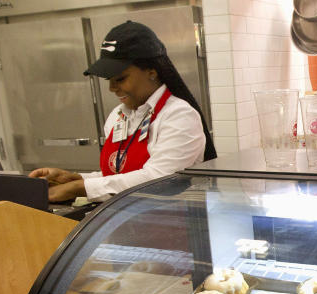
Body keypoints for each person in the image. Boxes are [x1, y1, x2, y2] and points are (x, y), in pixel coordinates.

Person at [30, 21, 216, 202]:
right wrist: (75, 178)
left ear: (152, 72)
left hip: (172, 225)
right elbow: (120, 176)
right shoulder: (117, 116)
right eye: (109, 80)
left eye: (120, 78)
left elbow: (159, 179)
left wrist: (79, 188)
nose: (112, 88)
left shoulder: (179, 116)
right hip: (126, 224)